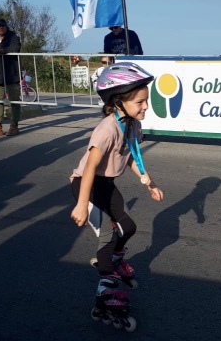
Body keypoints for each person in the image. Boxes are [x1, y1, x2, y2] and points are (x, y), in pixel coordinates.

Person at [69, 62, 163, 326]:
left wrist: (149, 183)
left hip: (106, 185)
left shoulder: (132, 125)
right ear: (119, 101)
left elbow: (132, 156)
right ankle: (106, 288)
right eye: (140, 102)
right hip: (85, 186)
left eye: (147, 100)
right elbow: (89, 168)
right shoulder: (107, 129)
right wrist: (80, 204)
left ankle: (113, 261)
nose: (146, 106)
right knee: (108, 235)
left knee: (129, 227)